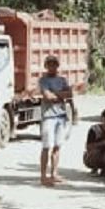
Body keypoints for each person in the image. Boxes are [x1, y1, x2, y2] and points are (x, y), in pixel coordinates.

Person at [38, 55, 75, 186]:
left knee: (57, 146)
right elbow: (48, 97)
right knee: (46, 146)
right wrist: (61, 94)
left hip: (61, 116)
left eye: (54, 64)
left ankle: (54, 174)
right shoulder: (43, 80)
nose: (52, 67)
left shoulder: (62, 80)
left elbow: (69, 94)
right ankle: (43, 176)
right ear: (46, 66)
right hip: (48, 116)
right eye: (50, 64)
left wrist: (56, 93)